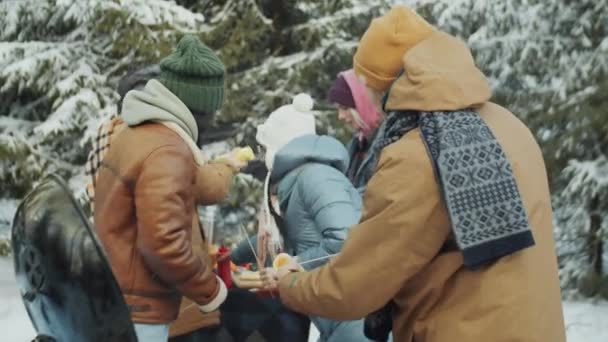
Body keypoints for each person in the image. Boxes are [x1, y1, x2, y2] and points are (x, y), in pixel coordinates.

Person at [266, 6, 566, 342]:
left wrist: (290, 283)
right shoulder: (508, 124)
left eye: (364, 81)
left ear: (385, 83)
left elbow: (359, 283)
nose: (363, 93)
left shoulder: (418, 152)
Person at [94, 35, 234, 342]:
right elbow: (164, 243)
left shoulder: (138, 131)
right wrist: (210, 289)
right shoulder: (168, 150)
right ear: (202, 106)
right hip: (140, 309)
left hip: (119, 297)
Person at [230, 93, 372, 342]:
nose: (262, 157)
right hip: (332, 314)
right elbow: (281, 239)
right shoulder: (294, 183)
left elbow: (347, 239)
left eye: (265, 148)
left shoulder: (317, 177)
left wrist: (298, 264)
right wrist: (234, 258)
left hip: (355, 316)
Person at [327, 69, 383, 192]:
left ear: (364, 103)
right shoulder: (357, 145)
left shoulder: (388, 144)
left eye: (345, 107)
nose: (340, 116)